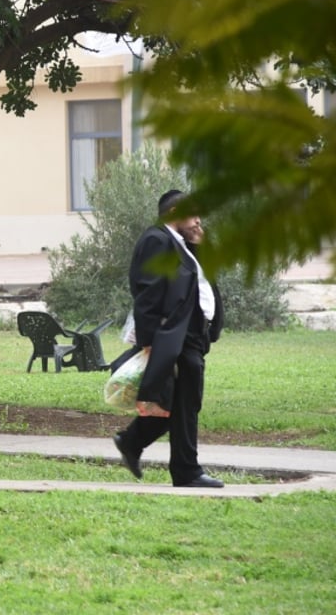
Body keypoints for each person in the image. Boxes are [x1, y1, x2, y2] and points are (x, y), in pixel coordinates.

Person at [113, 190, 226, 487]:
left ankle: (131, 442)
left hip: (192, 336)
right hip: (174, 338)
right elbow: (146, 293)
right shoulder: (157, 240)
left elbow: (201, 282)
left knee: (178, 404)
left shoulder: (183, 246)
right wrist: (151, 341)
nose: (199, 220)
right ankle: (186, 472)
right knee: (185, 404)